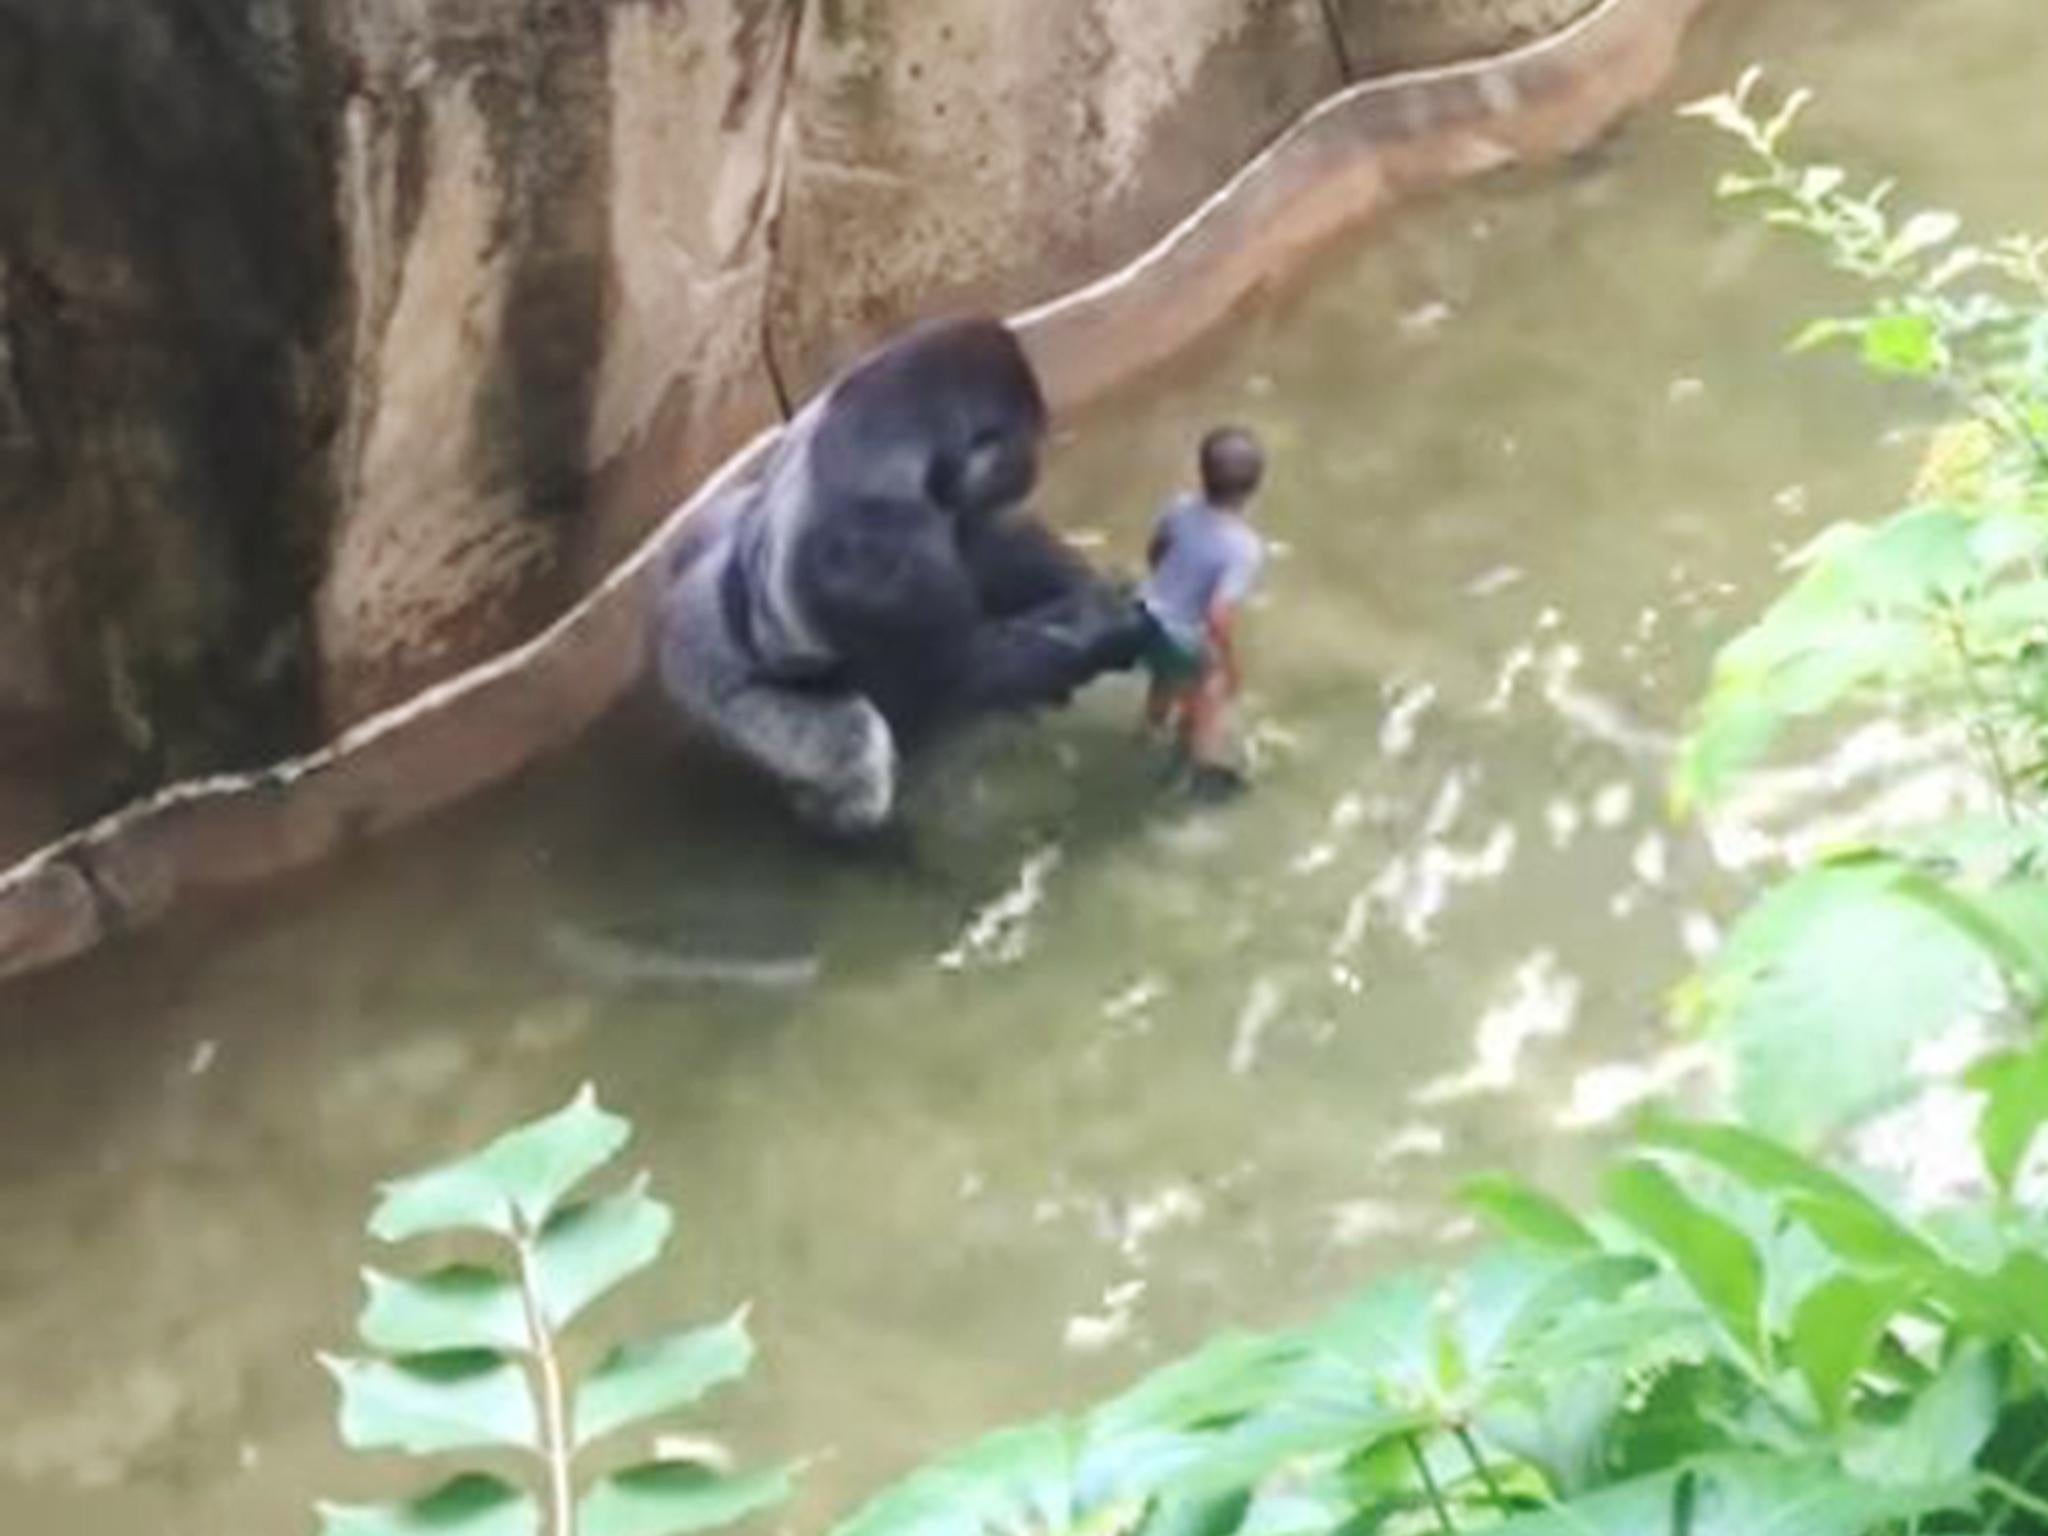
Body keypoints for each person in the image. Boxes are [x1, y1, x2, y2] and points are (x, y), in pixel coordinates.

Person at [1137, 426, 1267, 794]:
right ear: (1254, 488)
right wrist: (1228, 664)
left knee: (1163, 676)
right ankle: (1202, 768)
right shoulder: (1243, 547)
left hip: (1146, 614)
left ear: (1202, 473)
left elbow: (1155, 551)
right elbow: (1217, 617)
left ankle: (1148, 732)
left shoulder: (1178, 507)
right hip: (1183, 632)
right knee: (1211, 689)